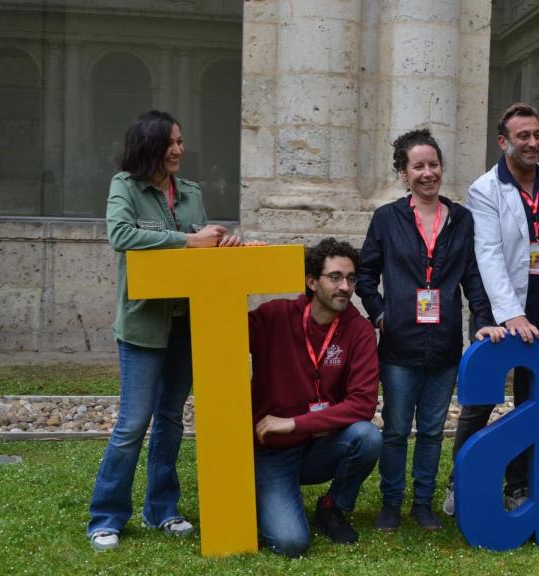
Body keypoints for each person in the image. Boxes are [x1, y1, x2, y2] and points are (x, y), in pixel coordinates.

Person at [88, 110, 243, 551]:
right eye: (171, 142)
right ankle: (106, 516)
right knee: (133, 422)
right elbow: (121, 234)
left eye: (180, 141)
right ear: (150, 146)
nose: (179, 149)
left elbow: (202, 244)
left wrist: (221, 240)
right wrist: (187, 242)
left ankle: (161, 509)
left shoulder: (191, 193)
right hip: (142, 324)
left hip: (187, 324)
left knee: (171, 419)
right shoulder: (125, 187)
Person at [356, 129, 506, 531]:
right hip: (399, 342)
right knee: (397, 429)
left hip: (444, 343)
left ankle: (423, 504)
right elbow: (365, 274)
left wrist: (483, 324)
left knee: (433, 430)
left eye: (433, 165)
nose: (428, 173)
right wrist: (379, 314)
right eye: (418, 166)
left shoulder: (462, 219)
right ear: (404, 174)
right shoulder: (387, 218)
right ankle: (391, 503)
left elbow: (474, 279)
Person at [445, 102, 539, 514]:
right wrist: (512, 314)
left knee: (534, 399)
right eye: (523, 136)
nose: (533, 143)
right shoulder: (485, 189)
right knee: (481, 400)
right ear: (503, 142)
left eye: (537, 135)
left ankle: (519, 487)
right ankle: (461, 481)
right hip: (501, 309)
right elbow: (487, 254)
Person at [249, 238, 382, 557]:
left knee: (368, 437)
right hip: (274, 452)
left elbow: (362, 404)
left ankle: (331, 506)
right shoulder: (275, 316)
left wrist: (294, 423)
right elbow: (220, 328)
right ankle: (264, 494)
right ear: (312, 281)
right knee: (291, 543)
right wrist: (245, 259)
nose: (346, 287)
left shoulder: (359, 330)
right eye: (335, 277)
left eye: (351, 278)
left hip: (323, 446)